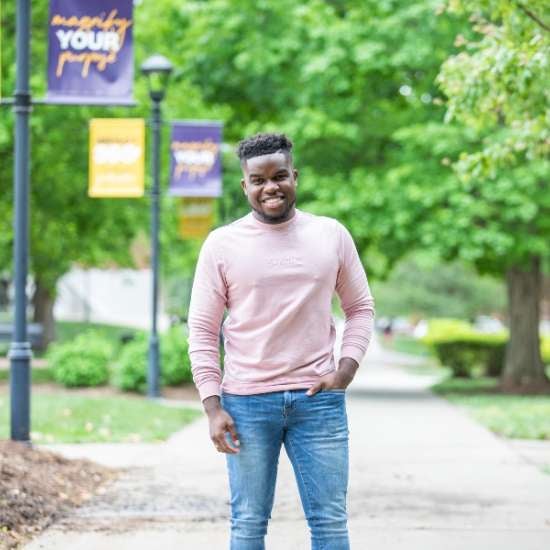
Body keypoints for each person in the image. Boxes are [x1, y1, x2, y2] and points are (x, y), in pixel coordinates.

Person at [188, 133, 375, 550]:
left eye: (279, 176)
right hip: (246, 403)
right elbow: (202, 330)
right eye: (258, 180)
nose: (270, 187)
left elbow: (360, 307)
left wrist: (345, 369)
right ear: (245, 186)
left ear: (295, 176)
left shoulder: (331, 235)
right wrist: (212, 406)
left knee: (329, 523)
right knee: (249, 522)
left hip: (318, 402)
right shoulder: (221, 244)